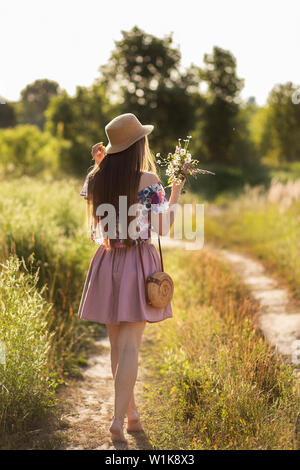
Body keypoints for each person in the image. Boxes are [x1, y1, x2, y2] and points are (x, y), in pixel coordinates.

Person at [78, 113, 186, 443]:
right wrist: (176, 193)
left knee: (116, 346)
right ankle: (116, 421)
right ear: (138, 144)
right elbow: (164, 227)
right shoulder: (149, 179)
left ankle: (132, 414)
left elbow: (93, 200)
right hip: (138, 262)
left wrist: (101, 164)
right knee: (130, 349)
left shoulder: (96, 177)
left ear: (113, 148)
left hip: (107, 261)